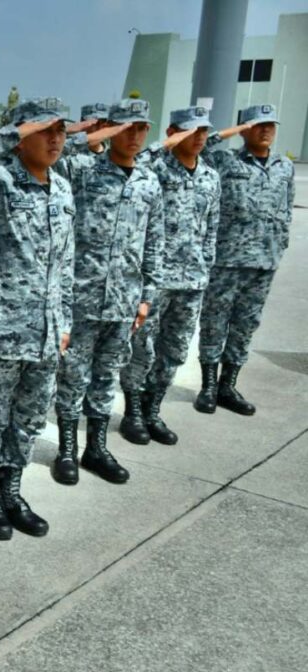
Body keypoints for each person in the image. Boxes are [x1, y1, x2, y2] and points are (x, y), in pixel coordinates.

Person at [0, 98, 72, 540]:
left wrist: (65, 321)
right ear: (23, 136)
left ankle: (13, 490)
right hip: (0, 324)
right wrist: (6, 136)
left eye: (61, 130)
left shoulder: (62, 188)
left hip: (46, 330)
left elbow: (67, 262)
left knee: (28, 415)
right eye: (45, 130)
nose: (56, 138)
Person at [51, 98, 164, 486]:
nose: (133, 135)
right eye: (125, 127)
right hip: (81, 297)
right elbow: (60, 148)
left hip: (124, 299)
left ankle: (95, 448)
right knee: (72, 375)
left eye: (141, 127)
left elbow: (155, 242)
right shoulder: (82, 170)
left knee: (106, 376)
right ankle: (66, 449)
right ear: (112, 129)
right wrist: (96, 132)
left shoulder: (149, 181)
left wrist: (147, 295)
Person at [119, 107, 219, 445]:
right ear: (175, 132)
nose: (200, 137)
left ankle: (152, 409)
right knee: (141, 350)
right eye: (192, 131)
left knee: (174, 350)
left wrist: (205, 269)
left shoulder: (210, 176)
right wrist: (164, 143)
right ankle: (132, 412)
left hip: (192, 281)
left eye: (204, 130)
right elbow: (135, 159)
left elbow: (211, 230)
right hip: (156, 280)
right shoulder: (154, 169)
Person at [194, 104, 295, 416]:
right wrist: (230, 131)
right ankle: (208, 386)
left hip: (264, 261)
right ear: (245, 129)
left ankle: (228, 385)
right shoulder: (226, 160)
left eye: (270, 125)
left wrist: (280, 244)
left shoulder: (284, 166)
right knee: (214, 322)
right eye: (258, 125)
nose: (266, 130)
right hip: (228, 259)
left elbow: (287, 205)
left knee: (246, 325)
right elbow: (204, 143)